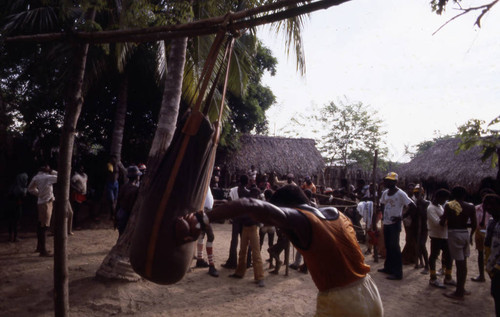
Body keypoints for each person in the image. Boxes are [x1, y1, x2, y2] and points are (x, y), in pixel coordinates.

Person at [179, 185, 383, 316]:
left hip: (343, 303)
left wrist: (202, 219)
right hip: (370, 292)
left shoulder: (300, 219)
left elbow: (250, 204)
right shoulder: (336, 213)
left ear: (287, 208)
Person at [440, 186, 477, 300]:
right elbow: (474, 224)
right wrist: (470, 236)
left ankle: (459, 292)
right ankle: (462, 288)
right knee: (463, 262)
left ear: (452, 195)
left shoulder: (449, 205)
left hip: (453, 233)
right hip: (465, 233)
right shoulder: (470, 206)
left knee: (459, 263)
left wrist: (445, 221)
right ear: (465, 195)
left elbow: (442, 222)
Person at [378, 172, 415, 280]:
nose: (386, 182)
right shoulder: (385, 192)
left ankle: (398, 272)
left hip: (395, 224)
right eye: (386, 180)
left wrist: (402, 217)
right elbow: (382, 203)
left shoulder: (400, 194)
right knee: (388, 246)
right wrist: (383, 214)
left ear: (395, 182)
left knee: (395, 247)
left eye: (389, 180)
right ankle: (388, 267)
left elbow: (412, 206)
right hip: (387, 223)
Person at [228, 186, 265, 287]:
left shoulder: (252, 205)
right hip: (249, 228)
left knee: (253, 253)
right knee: (245, 251)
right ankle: (241, 273)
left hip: (251, 228)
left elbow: (242, 217)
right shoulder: (253, 205)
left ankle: (259, 277)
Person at [28, 164, 58, 257]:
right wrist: (52, 171)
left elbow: (30, 188)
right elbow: (62, 176)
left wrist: (39, 194)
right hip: (46, 203)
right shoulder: (48, 177)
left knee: (40, 225)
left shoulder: (36, 177)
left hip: (40, 202)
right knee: (44, 226)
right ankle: (43, 251)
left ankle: (39, 247)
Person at [427, 189, 455, 288]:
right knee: (434, 255)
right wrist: (447, 214)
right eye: (444, 199)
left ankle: (448, 277)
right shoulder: (431, 208)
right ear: (438, 197)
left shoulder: (439, 207)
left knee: (449, 255)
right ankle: (433, 278)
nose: (445, 201)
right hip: (436, 235)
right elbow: (439, 223)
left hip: (444, 235)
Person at [194, 188, 219, 277]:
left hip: (206, 211)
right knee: (210, 236)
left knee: (202, 235)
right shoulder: (202, 183)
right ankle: (211, 264)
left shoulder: (205, 183)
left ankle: (200, 259)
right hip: (202, 212)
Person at [471, 188, 495, 282]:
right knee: (480, 253)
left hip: (491, 233)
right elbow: (474, 222)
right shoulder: (477, 208)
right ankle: (481, 275)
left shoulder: (494, 209)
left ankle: (493, 276)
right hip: (479, 231)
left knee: (492, 254)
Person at [483, 194, 500, 316]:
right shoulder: (492, 222)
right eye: (486, 205)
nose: (489, 207)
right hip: (492, 264)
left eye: (492, 205)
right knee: (495, 294)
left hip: (498, 266)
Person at [115, 166, 141, 236]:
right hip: (128, 215)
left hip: (121, 213)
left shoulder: (124, 187)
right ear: (136, 177)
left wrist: (115, 217)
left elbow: (118, 202)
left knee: (121, 235)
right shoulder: (136, 189)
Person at [6, 173, 28, 242]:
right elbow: (22, 197)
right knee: (15, 222)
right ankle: (15, 237)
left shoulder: (13, 186)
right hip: (16, 207)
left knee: (11, 222)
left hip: (10, 206)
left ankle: (10, 237)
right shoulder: (21, 189)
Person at [413, 185, 430, 273]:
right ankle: (421, 262)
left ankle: (427, 265)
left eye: (418, 194)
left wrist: (420, 208)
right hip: (415, 227)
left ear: (422, 194)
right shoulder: (414, 203)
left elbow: (426, 215)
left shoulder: (426, 203)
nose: (416, 195)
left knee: (422, 245)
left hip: (424, 227)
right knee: (417, 245)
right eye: (415, 194)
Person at [70, 165, 88, 231]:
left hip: (83, 194)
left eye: (82, 168)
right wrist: (76, 188)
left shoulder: (85, 175)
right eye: (80, 168)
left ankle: (80, 223)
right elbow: (70, 183)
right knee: (77, 210)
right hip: (77, 194)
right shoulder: (76, 177)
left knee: (81, 210)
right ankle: (75, 224)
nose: (82, 169)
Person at [104, 155, 120, 220]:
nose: (114, 160)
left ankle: (113, 214)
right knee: (112, 200)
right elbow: (111, 171)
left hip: (116, 183)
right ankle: (113, 214)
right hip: (110, 183)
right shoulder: (109, 165)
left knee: (115, 200)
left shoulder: (117, 165)